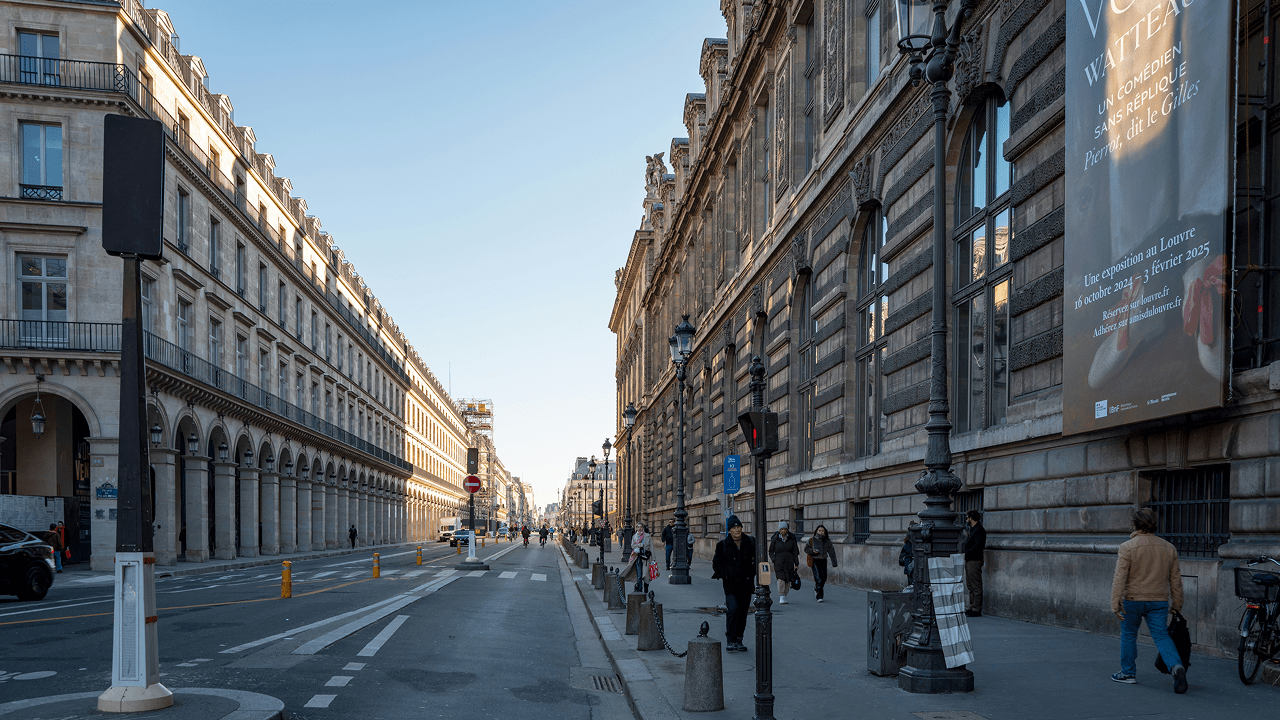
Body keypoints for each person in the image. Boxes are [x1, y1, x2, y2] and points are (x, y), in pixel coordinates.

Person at [1110, 508, 1186, 692]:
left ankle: (1128, 673)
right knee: (1161, 635)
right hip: (1159, 600)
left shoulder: (1127, 547)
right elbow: (1175, 579)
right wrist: (1177, 603)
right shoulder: (1169, 548)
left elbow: (1119, 578)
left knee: (1128, 634)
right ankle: (1176, 666)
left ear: (1136, 524)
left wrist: (1115, 602)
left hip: (1132, 599)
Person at [711, 516, 754, 652]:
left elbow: (758, 559)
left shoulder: (750, 542)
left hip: (746, 584)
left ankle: (739, 640)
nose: (737, 529)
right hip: (730, 584)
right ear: (729, 530)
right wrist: (726, 574)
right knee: (733, 609)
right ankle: (730, 639)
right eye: (734, 528)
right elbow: (716, 564)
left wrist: (751, 572)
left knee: (742, 613)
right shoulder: (722, 545)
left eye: (739, 527)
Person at [804, 524, 837, 602]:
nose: (821, 532)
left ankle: (817, 589)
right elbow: (806, 549)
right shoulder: (812, 540)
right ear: (816, 531)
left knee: (824, 578)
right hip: (815, 561)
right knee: (818, 579)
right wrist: (812, 551)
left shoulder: (827, 540)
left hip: (823, 560)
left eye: (822, 531)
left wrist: (834, 562)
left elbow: (832, 551)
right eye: (819, 531)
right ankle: (819, 596)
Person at [962, 510, 987, 617]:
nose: (967, 520)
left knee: (976, 586)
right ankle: (972, 607)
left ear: (971, 518)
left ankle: (976, 609)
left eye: (967, 518)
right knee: (970, 585)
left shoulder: (979, 530)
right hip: (969, 559)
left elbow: (977, 545)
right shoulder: (973, 530)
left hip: (974, 560)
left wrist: (967, 552)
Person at [629, 522, 653, 593]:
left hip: (646, 557)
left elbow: (651, 547)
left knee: (645, 575)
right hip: (638, 557)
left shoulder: (647, 536)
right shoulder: (634, 537)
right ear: (636, 528)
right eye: (638, 527)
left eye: (641, 527)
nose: (639, 528)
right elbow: (632, 546)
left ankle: (646, 586)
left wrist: (653, 559)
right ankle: (639, 589)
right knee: (639, 575)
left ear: (643, 528)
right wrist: (639, 545)